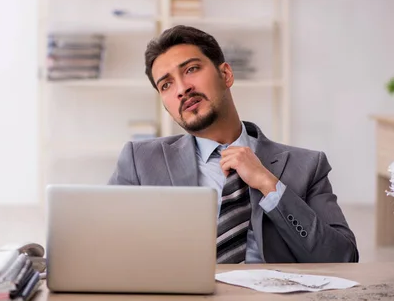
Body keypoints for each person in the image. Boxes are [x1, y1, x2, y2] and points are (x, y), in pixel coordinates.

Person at [108, 25, 358, 264]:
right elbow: (104, 245)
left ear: (225, 74)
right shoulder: (140, 161)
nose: (182, 89)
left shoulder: (307, 166)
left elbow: (342, 258)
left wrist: (269, 185)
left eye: (191, 69)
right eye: (166, 84)